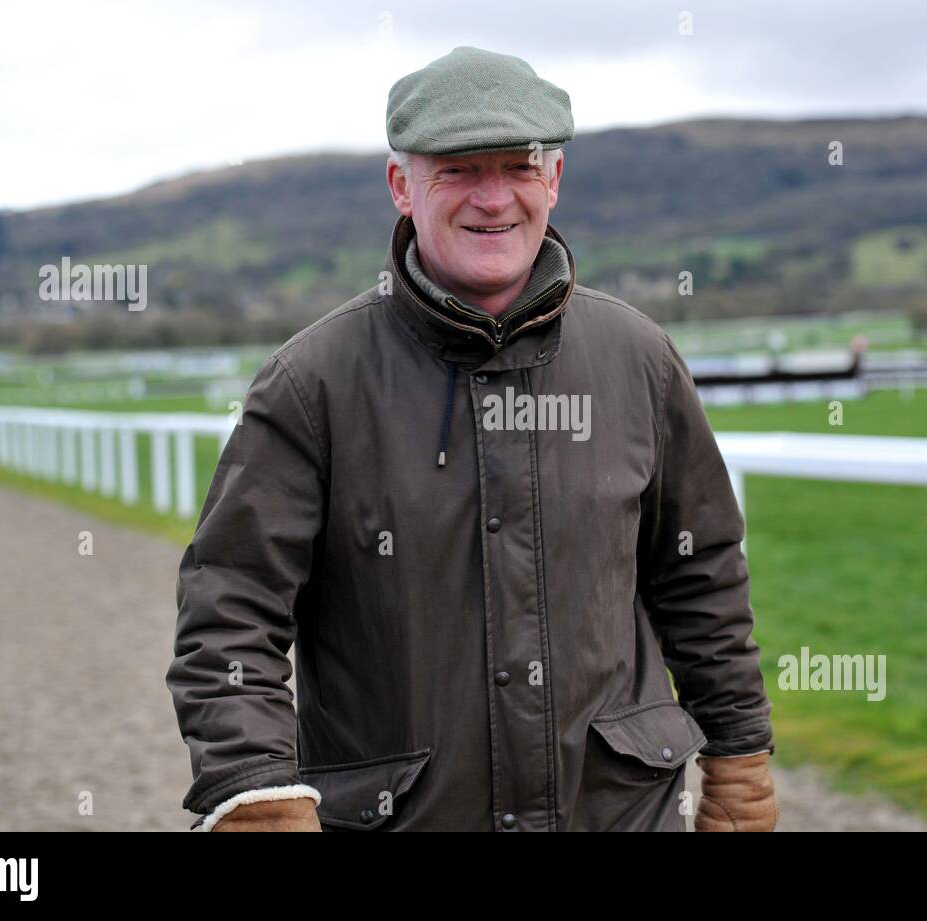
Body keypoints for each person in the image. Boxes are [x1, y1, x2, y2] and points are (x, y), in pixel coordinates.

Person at [166, 45, 777, 832]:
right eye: (457, 169)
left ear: (553, 180)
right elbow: (229, 613)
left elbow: (704, 581)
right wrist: (256, 794)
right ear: (401, 187)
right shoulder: (311, 384)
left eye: (518, 167)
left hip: (620, 813)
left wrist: (740, 760)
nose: (494, 199)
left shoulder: (639, 360)